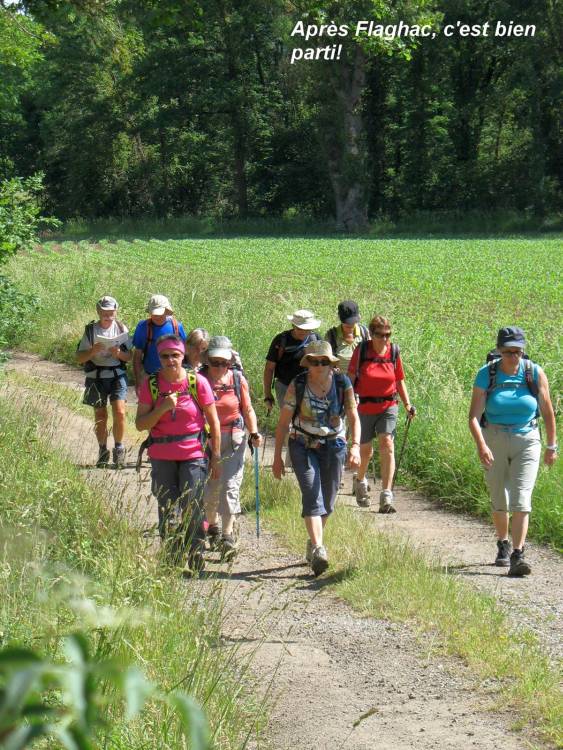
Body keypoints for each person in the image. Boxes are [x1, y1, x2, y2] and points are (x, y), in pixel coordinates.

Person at [468, 326, 557, 576]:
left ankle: (518, 554)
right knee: (500, 497)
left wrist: (551, 446)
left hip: (527, 439)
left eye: (518, 351)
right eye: (508, 352)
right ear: (499, 351)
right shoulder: (486, 374)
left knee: (521, 498)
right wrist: (481, 445)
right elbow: (473, 416)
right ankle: (503, 543)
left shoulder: (534, 373)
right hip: (493, 439)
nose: (513, 356)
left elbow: (548, 412)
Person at [272, 340, 361, 576]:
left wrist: (355, 447)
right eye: (314, 361)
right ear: (307, 363)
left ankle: (313, 542)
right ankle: (319, 549)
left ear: (331, 363)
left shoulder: (342, 383)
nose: (319, 365)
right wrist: (278, 457)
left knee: (328, 502)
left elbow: (353, 416)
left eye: (323, 361)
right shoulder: (298, 384)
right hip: (302, 444)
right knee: (312, 494)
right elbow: (283, 423)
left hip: (334, 444)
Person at [135, 334, 221, 573]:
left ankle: (196, 551)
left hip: (194, 453)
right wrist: (163, 407)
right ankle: (172, 555)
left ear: (183, 355)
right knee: (167, 506)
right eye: (165, 356)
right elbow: (140, 424)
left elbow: (214, 422)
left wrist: (216, 457)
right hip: (161, 455)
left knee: (193, 503)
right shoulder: (151, 385)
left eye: (175, 355)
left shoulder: (197, 382)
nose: (170, 360)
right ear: (158, 357)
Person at [201, 336, 262, 559]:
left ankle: (227, 536)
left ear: (230, 362)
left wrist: (254, 432)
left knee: (229, 486)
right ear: (207, 360)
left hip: (233, 439)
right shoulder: (199, 380)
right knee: (209, 489)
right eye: (215, 362)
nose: (219, 367)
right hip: (205, 440)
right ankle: (213, 527)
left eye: (224, 363)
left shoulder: (237, 379)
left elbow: (248, 409)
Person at [348, 315, 415, 513]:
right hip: (364, 406)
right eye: (380, 335)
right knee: (366, 451)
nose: (385, 339)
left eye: (388, 334)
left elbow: (399, 379)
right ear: (372, 334)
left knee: (387, 444)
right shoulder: (362, 351)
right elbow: (350, 378)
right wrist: (348, 402)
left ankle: (386, 495)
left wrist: (407, 404)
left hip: (388, 405)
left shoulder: (393, 351)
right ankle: (360, 480)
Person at [76, 295, 131, 468]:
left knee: (120, 412)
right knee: (100, 415)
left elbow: (129, 356)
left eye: (111, 312)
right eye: (104, 312)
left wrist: (119, 354)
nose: (108, 315)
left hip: (117, 375)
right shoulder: (90, 331)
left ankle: (119, 449)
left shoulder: (121, 328)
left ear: (116, 311)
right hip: (96, 377)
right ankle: (102, 450)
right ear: (98, 311)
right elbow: (79, 358)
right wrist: (92, 351)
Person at [263, 309, 322, 411]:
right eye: (300, 328)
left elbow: (323, 364)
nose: (303, 332)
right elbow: (269, 368)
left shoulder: (316, 339)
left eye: (307, 329)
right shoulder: (281, 340)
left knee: (307, 418)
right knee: (287, 418)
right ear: (293, 325)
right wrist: (267, 395)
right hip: (284, 387)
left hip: (309, 388)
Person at [132, 294, 187, 394]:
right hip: (149, 376)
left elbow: (185, 352)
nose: (156, 316)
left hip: (174, 378)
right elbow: (137, 356)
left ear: (167, 311)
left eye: (160, 313)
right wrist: (138, 381)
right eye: (154, 313)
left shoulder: (176, 327)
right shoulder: (143, 327)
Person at [325, 300, 370, 372]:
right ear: (339, 318)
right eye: (347, 322)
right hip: (339, 377)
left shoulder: (364, 333)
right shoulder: (331, 335)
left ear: (359, 317)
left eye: (353, 321)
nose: (350, 324)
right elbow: (325, 360)